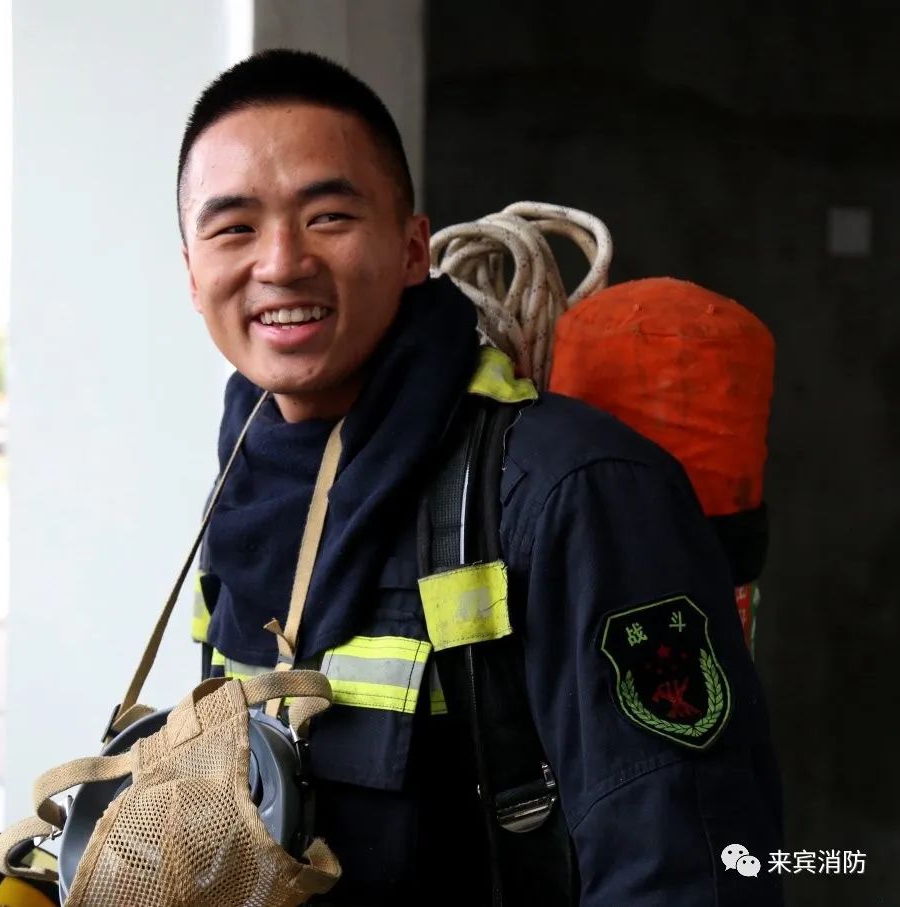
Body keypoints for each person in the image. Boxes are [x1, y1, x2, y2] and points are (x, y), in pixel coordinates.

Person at [177, 48, 784, 906]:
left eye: (328, 217)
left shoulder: (570, 491)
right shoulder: (243, 485)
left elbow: (682, 870)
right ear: (192, 274)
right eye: (234, 227)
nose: (280, 262)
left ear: (413, 248)